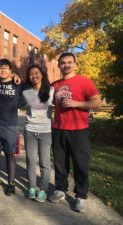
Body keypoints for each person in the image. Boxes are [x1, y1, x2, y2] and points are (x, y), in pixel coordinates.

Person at [49, 52, 101, 212]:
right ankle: (60, 189)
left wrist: (76, 103)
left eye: (69, 62)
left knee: (80, 164)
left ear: (75, 64)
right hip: (58, 128)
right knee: (59, 162)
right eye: (63, 63)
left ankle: (81, 196)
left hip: (79, 130)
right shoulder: (54, 85)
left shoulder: (84, 81)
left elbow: (97, 103)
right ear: (59, 65)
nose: (66, 65)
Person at [0, 59, 22, 196]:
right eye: (0, 68)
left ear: (11, 71)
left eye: (6, 68)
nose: (2, 70)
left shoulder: (17, 83)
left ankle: (11, 184)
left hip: (10, 126)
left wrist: (16, 75)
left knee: (10, 156)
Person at [22, 65, 54, 202]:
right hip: (30, 130)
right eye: (31, 74)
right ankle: (32, 188)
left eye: (36, 73)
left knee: (45, 162)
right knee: (30, 160)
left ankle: (43, 190)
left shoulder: (51, 90)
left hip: (46, 130)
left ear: (42, 74)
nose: (34, 76)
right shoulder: (25, 92)